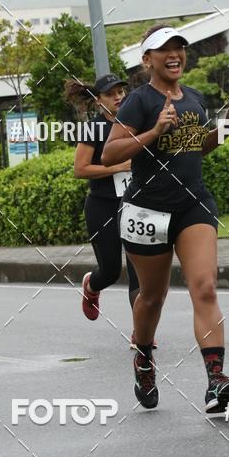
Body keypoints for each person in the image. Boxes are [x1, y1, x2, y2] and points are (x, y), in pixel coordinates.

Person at [101, 25, 229, 414]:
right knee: (152, 297)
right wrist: (153, 131)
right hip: (147, 210)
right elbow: (110, 155)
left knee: (205, 287)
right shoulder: (137, 101)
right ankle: (144, 358)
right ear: (147, 59)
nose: (174, 53)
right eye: (163, 48)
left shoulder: (195, 100)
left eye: (179, 47)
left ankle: (216, 381)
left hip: (192, 206)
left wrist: (227, 127)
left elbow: (197, 146)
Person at [69, 73, 155, 348]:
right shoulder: (92, 129)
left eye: (121, 91)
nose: (118, 97)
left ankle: (141, 334)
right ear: (98, 101)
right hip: (102, 206)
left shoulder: (136, 122)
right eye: (111, 93)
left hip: (135, 205)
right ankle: (91, 287)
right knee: (110, 271)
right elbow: (80, 169)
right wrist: (118, 166)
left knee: (138, 271)